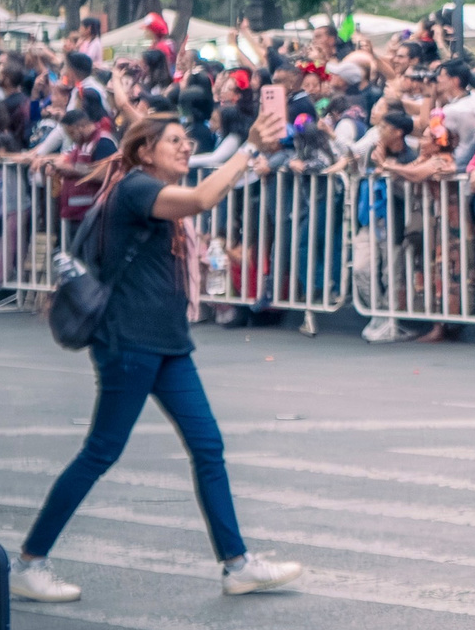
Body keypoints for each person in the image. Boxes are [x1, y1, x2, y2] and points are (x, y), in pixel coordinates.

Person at [15, 105, 303, 604]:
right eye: (174, 141)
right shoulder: (136, 188)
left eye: (187, 140)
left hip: (165, 342)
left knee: (208, 446)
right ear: (145, 152)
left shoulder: (140, 185)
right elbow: (201, 198)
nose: (186, 146)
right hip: (128, 341)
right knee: (101, 452)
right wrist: (250, 147)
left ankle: (236, 564)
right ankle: (29, 562)